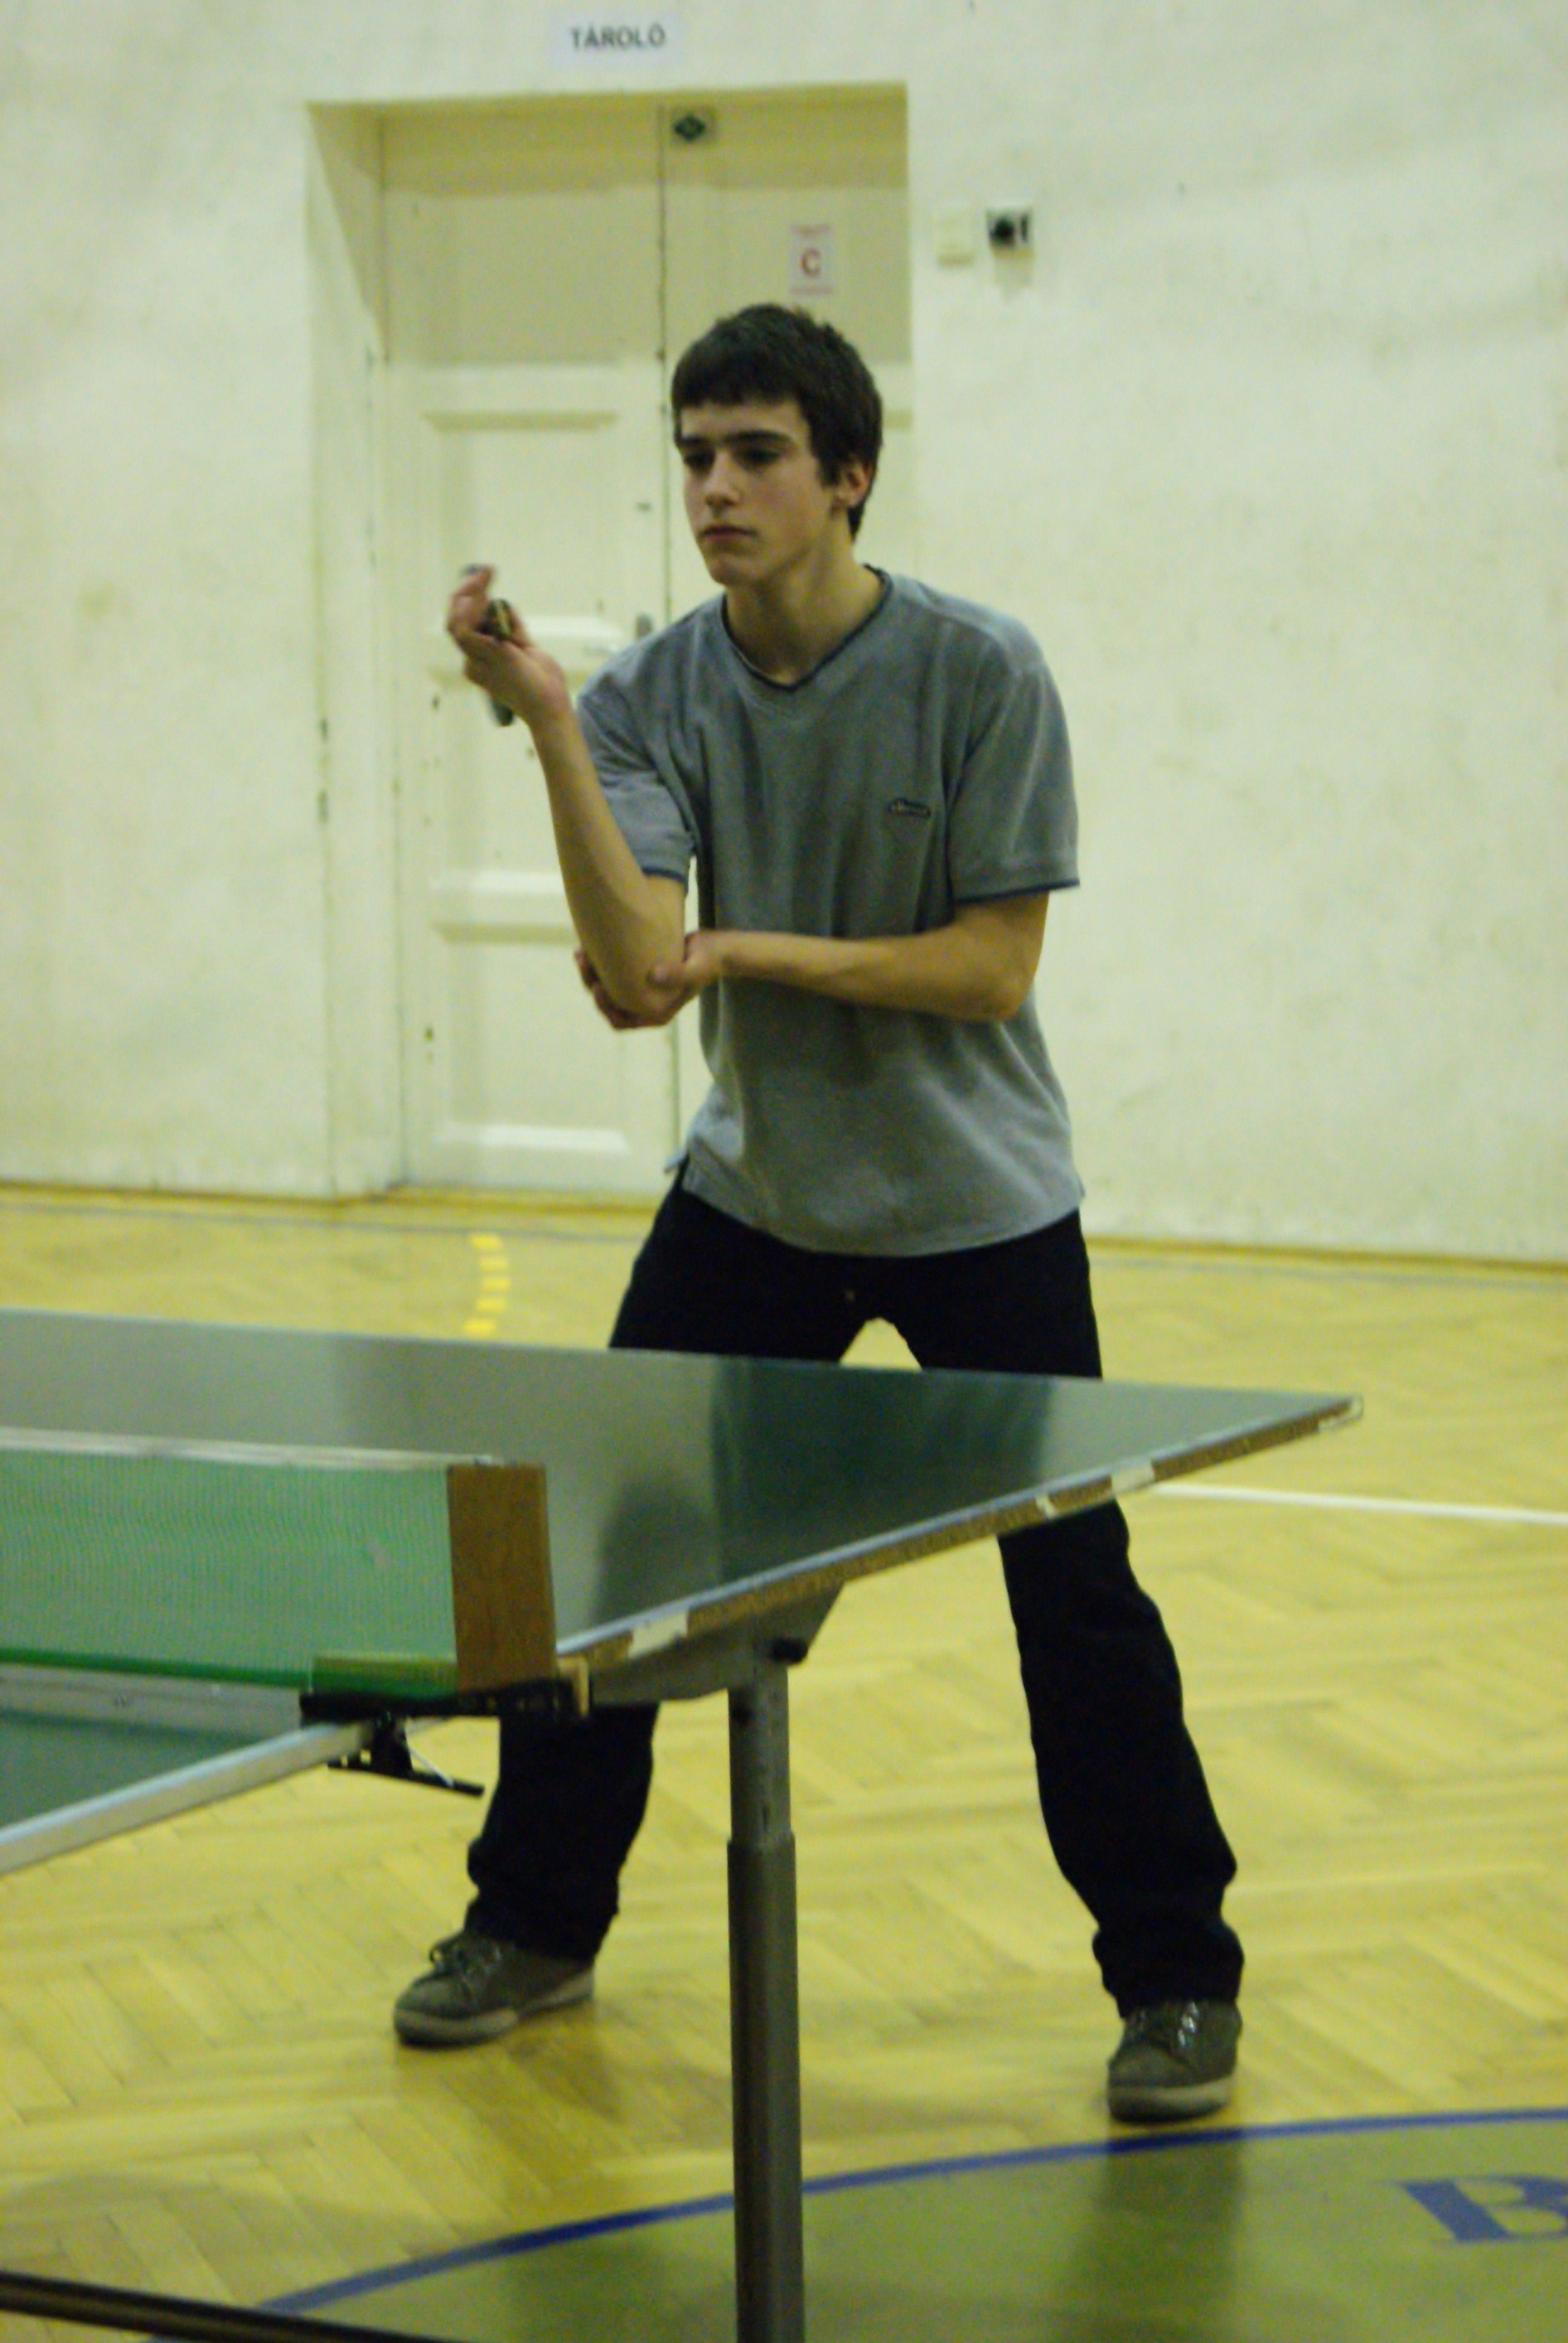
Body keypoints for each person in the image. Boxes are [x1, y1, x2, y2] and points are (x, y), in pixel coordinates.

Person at [394, 304, 1243, 2123]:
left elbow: (993, 971)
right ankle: (531, 1924)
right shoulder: (648, 694)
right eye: (695, 455)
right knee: (605, 1569)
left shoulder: (980, 671)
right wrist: (549, 725)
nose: (716, 487)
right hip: (756, 1201)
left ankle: (1177, 1976)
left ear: (849, 475)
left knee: (1074, 1595)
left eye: (757, 453)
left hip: (980, 1210)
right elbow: (644, 973)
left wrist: (750, 951)